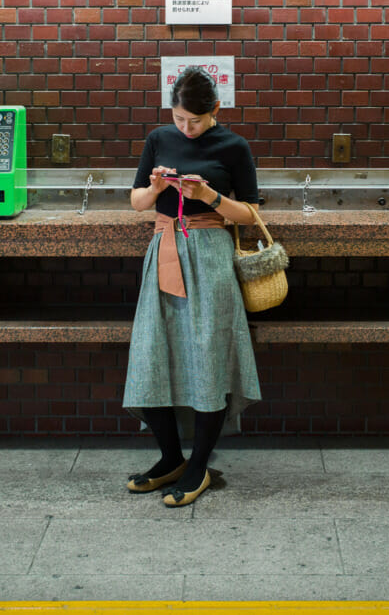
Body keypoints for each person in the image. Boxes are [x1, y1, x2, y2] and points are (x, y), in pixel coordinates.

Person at [123, 66, 262, 507]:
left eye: (195, 121)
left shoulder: (234, 147)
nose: (186, 127)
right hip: (163, 247)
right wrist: (157, 186)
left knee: (208, 358)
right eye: (180, 119)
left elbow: (250, 215)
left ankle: (199, 466)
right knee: (152, 353)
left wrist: (210, 198)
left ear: (215, 110)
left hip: (210, 255)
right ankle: (170, 458)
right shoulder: (158, 139)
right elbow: (137, 202)